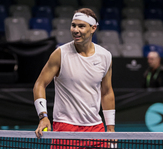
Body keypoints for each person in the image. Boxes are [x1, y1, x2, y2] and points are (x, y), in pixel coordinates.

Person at [33, 8, 115, 148]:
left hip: (95, 128)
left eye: (81, 26)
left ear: (93, 28)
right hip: (65, 127)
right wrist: (43, 117)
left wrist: (111, 128)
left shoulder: (105, 56)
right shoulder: (60, 54)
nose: (75, 30)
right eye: (73, 25)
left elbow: (107, 92)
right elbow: (39, 84)